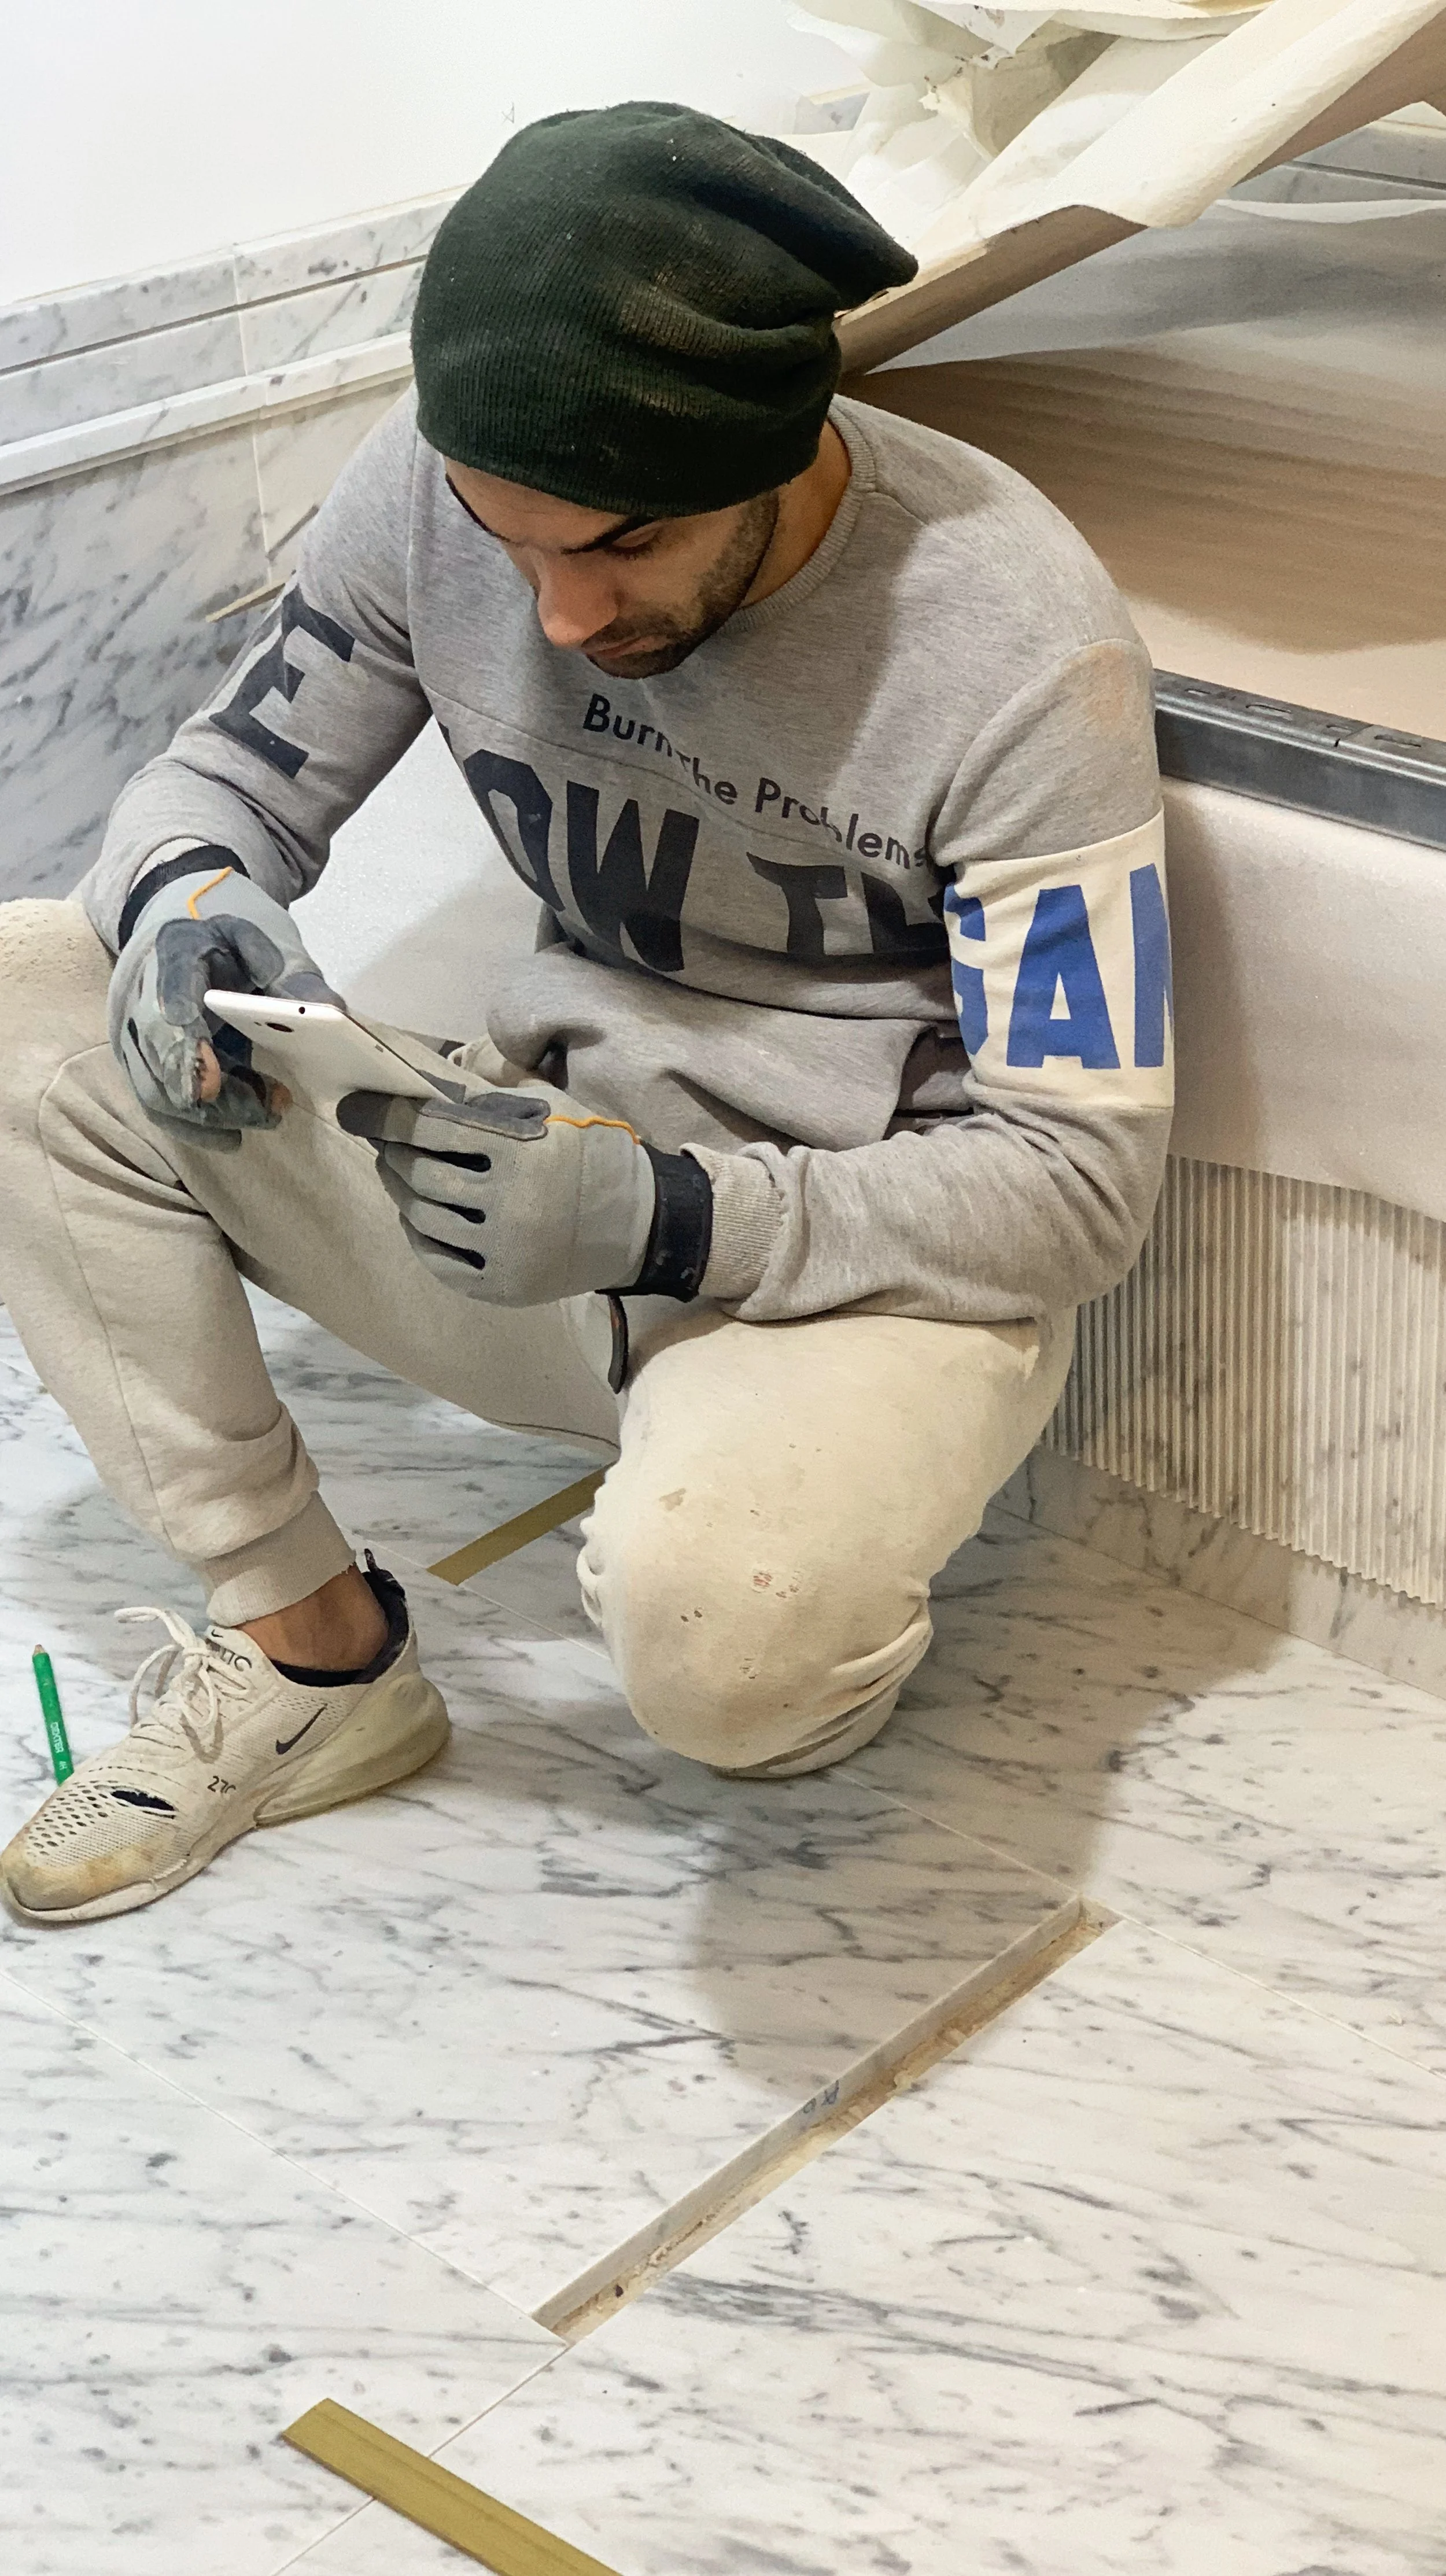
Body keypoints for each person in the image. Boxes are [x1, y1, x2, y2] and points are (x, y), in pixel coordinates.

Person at [0, 101, 1172, 1925]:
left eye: (616, 548)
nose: (550, 614)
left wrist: (676, 1216)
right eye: (505, 540)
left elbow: (1077, 1188)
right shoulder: (435, 482)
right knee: (28, 986)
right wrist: (187, 897)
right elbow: (211, 779)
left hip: (838, 1256)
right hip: (522, 1196)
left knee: (728, 1664)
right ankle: (319, 1662)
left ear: (778, 457)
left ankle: (786, 1506)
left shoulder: (1018, 643)